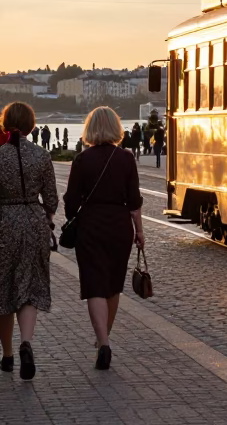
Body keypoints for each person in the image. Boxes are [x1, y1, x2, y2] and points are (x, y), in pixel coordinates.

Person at [63, 106, 145, 371]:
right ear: (116, 127)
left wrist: (75, 208)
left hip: (91, 227)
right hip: (120, 226)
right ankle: (103, 341)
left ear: (89, 129)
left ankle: (104, 342)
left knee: (94, 285)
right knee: (113, 285)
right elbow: (134, 202)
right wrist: (140, 232)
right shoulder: (126, 158)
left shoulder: (81, 160)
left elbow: (71, 203)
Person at [0, 102, 58, 380]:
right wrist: (45, 216)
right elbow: (52, 200)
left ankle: (8, 355)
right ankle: (26, 342)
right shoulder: (42, 155)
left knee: (4, 287)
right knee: (29, 285)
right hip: (34, 223)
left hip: (4, 222)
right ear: (31, 125)